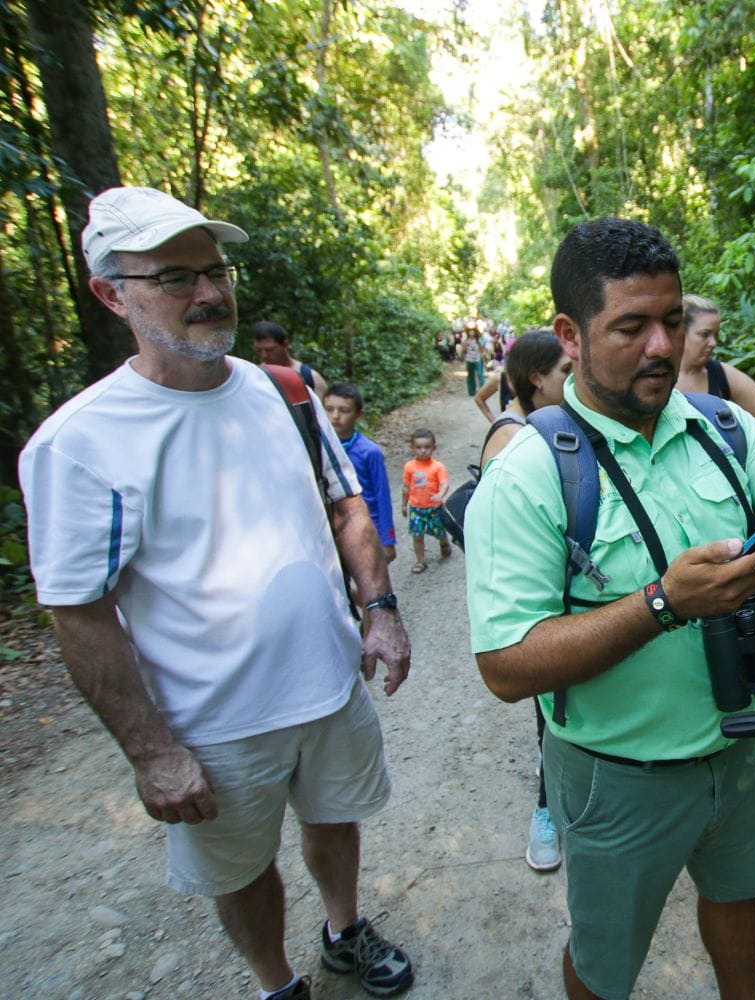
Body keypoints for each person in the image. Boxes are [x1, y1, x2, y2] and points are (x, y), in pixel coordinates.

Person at [19, 186, 414, 1000]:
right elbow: (77, 610)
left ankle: (345, 931)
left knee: (335, 817)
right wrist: (153, 752)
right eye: (174, 277)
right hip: (213, 723)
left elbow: (346, 505)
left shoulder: (284, 391)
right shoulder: (79, 442)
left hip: (330, 683)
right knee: (241, 864)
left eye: (215, 270)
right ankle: (278, 984)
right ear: (110, 292)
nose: (209, 293)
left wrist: (380, 611)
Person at [464, 217, 755, 1000]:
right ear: (569, 336)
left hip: (742, 745)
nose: (661, 346)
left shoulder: (722, 427)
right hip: (617, 775)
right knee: (606, 955)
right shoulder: (529, 474)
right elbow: (506, 667)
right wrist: (659, 605)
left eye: (673, 321)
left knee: (736, 894)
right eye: (631, 326)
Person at [476, 329, 573, 874]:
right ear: (536, 378)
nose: (574, 380)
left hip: (567, 596)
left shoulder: (549, 425)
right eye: (564, 372)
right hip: (543, 606)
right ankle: (547, 811)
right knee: (552, 710)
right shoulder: (512, 438)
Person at [674, 294, 755, 438]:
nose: (713, 343)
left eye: (716, 335)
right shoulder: (654, 377)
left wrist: (739, 450)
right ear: (680, 333)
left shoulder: (721, 374)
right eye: (704, 334)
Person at [324, 383, 397, 564]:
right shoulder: (319, 450)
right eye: (329, 409)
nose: (335, 416)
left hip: (366, 529)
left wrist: (388, 540)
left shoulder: (369, 451)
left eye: (344, 410)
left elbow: (382, 496)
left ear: (358, 415)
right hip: (331, 532)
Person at [401, 428, 451, 570]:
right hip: (416, 508)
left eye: (427, 447)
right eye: (418, 447)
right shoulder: (409, 467)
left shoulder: (437, 467)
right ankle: (421, 561)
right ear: (412, 448)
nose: (423, 450)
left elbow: (444, 483)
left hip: (434, 507)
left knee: (439, 530)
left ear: (434, 448)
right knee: (417, 535)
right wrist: (404, 505)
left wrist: (441, 494)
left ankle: (444, 543)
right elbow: (406, 487)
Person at [251, 320, 329, 397]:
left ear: (285, 345)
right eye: (258, 350)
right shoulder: (255, 375)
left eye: (270, 350)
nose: (264, 355)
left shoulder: (311, 378)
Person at [463, 327, 485, 395]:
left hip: (477, 358)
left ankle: (482, 390)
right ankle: (472, 391)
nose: (471, 333)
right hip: (469, 359)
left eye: (473, 331)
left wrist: (483, 357)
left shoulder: (479, 340)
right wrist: (465, 346)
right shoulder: (466, 340)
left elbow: (482, 349)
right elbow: (463, 350)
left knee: (480, 373)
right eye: (470, 331)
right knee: (470, 375)